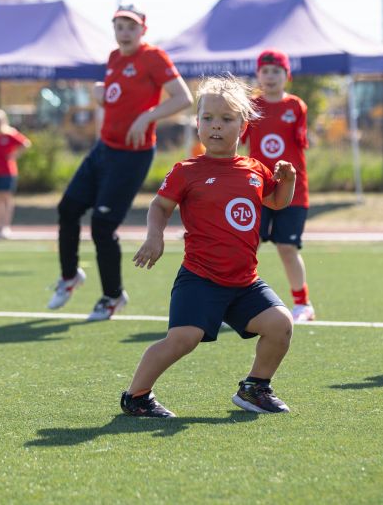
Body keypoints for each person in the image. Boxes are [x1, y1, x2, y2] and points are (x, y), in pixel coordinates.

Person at [121, 75, 296, 417]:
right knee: (183, 340)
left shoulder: (254, 170)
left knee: (280, 324)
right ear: (197, 123)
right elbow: (159, 206)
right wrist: (154, 236)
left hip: (245, 281)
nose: (216, 126)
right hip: (201, 278)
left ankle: (255, 388)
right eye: (208, 119)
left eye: (227, 119)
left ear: (243, 126)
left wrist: (287, 181)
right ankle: (136, 396)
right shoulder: (187, 171)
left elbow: (276, 203)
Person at [48, 4, 192, 320]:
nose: (124, 32)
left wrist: (148, 116)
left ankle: (113, 297)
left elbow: (184, 98)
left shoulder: (154, 57)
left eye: (131, 26)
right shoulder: (114, 57)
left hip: (132, 156)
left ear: (143, 30)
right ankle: (70, 276)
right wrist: (102, 93)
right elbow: (117, 95)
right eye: (119, 26)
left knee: (102, 226)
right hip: (104, 150)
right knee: (68, 209)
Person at [242, 49, 315, 321]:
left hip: (293, 191)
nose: (270, 76)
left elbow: (300, 144)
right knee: (248, 244)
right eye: (265, 71)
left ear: (287, 76)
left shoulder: (296, 106)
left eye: (276, 71)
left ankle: (303, 304)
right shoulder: (251, 106)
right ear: (258, 74)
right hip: (258, 189)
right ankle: (234, 299)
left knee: (287, 247)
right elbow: (240, 142)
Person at [0, 108, 31, 239]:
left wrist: (14, 154)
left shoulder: (10, 134)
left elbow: (26, 143)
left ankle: (5, 227)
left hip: (7, 172)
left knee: (6, 199)